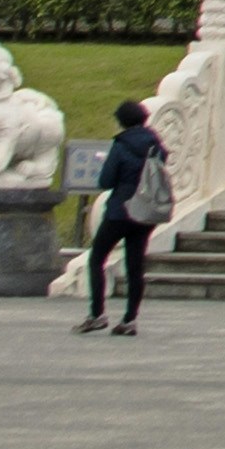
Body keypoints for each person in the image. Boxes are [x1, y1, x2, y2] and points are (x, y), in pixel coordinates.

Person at [78, 92, 172, 334]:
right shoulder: (156, 146)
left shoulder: (121, 145)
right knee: (135, 265)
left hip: (120, 211)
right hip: (146, 211)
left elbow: (106, 180)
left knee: (97, 258)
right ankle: (130, 319)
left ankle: (97, 313)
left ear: (122, 121)